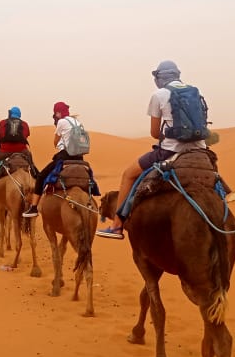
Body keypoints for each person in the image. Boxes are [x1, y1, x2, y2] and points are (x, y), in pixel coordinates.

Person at [96, 60, 207, 240]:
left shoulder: (159, 95)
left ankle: (117, 225)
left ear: (160, 77)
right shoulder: (195, 92)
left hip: (170, 151)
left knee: (128, 175)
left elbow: (154, 133)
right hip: (200, 150)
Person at [21, 101, 86, 218]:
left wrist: (60, 144)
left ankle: (34, 207)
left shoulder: (61, 122)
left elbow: (55, 142)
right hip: (80, 157)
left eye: (56, 113)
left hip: (66, 156)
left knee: (41, 176)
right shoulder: (77, 122)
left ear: (58, 113)